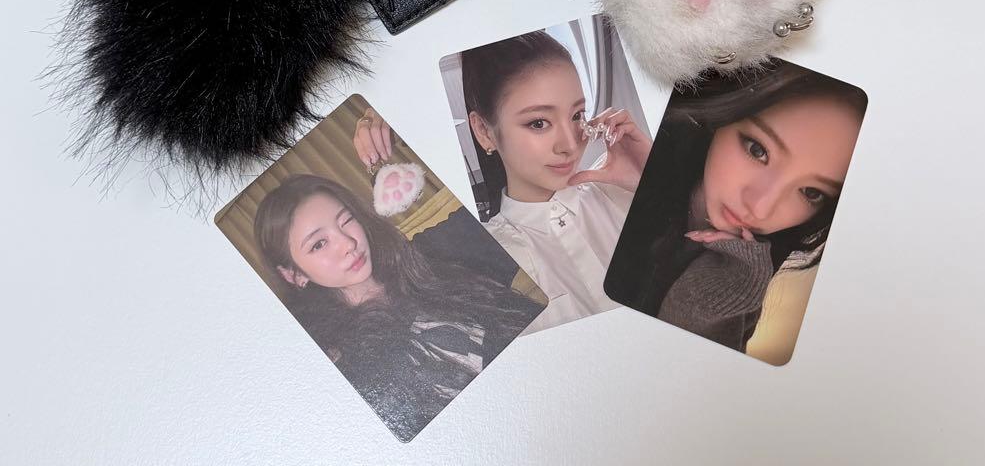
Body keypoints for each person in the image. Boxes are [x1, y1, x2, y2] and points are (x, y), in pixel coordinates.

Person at [255, 173, 543, 441]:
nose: (348, 243)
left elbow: (509, 210)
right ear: (294, 274)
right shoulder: (341, 364)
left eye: (346, 220)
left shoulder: (427, 255)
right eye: (319, 244)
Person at [603, 60, 866, 354]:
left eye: (810, 193)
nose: (761, 208)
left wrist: (719, 293)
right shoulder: (628, 184)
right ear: (722, 113)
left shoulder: (749, 271)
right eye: (758, 150)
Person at [458, 30, 652, 333]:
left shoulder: (625, 191)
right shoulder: (486, 260)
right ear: (484, 130)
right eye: (539, 123)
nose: (570, 145)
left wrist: (653, 183)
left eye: (577, 115)